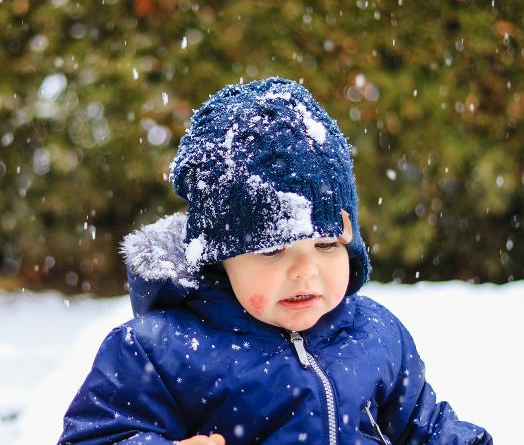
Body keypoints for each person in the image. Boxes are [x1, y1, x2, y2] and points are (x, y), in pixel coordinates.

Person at [58, 77, 491, 444]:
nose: (306, 270)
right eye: (271, 250)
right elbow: (97, 436)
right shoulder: (159, 352)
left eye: (325, 245)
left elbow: (427, 428)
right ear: (220, 259)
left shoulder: (375, 334)